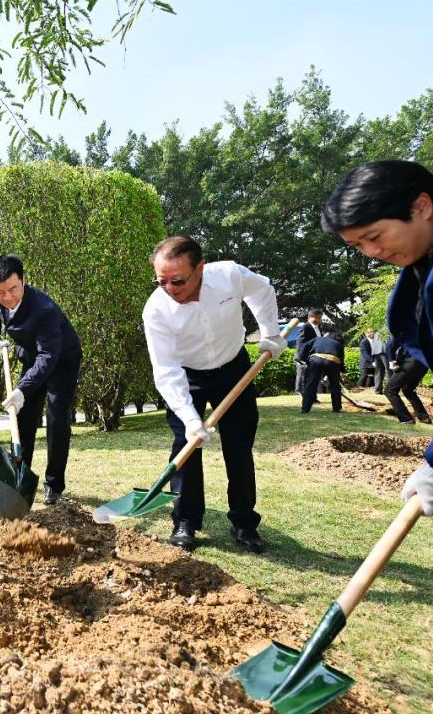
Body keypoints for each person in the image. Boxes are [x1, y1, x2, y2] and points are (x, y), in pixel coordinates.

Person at [322, 159, 433, 585]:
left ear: (421, 206)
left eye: (375, 237)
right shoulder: (423, 261)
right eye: (358, 245)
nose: (372, 253)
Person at [142, 235, 284, 553]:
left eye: (177, 280)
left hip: (234, 368)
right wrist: (191, 420)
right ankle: (185, 521)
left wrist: (271, 333)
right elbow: (166, 370)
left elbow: (262, 290)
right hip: (187, 375)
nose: (169, 289)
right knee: (186, 445)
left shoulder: (229, 275)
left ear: (200, 269)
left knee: (239, 446)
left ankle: (244, 522)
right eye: (161, 281)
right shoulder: (156, 310)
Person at [0, 254, 82, 505]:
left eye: (13, 289)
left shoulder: (43, 309)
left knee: (56, 419)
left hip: (62, 360)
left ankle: (54, 484)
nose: (7, 297)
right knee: (23, 417)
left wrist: (22, 388)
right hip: (32, 357)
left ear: (23, 281)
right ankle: (19, 476)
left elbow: (48, 356)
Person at [385, 337, 433, 425]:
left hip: (411, 362)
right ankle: (424, 417)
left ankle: (406, 419)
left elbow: (390, 346)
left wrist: (391, 361)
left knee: (389, 390)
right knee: (408, 389)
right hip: (424, 364)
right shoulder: (426, 331)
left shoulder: (402, 331)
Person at [297, 331, 344, 413]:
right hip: (333, 361)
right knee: (335, 385)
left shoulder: (318, 339)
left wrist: (303, 359)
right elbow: (341, 360)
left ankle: (305, 409)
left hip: (316, 360)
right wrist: (341, 371)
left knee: (311, 384)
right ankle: (337, 408)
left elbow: (305, 346)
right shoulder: (339, 345)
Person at [295, 309, 324, 394]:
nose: (318, 320)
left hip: (314, 357)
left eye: (320, 318)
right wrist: (301, 358)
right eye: (316, 318)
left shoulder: (319, 327)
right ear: (309, 317)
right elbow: (300, 343)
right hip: (303, 357)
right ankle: (299, 392)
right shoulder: (305, 327)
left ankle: (314, 393)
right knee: (302, 375)